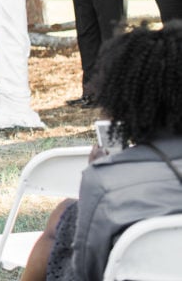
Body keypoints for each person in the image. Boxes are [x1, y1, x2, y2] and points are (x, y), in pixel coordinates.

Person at [21, 22, 182, 281]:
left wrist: (100, 170)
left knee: (64, 219)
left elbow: (86, 270)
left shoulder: (106, 180)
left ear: (124, 98)